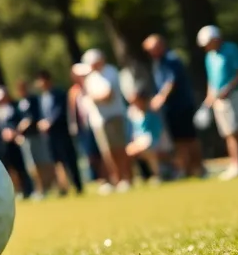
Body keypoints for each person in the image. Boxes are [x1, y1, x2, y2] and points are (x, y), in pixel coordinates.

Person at [198, 25, 238, 180]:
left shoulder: (231, 49)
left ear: (216, 38)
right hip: (219, 99)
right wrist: (209, 98)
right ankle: (236, 165)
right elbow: (211, 80)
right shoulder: (209, 57)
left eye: (209, 42)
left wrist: (228, 88)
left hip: (237, 94)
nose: (207, 46)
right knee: (229, 133)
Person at [143, 34, 205, 179]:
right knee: (178, 140)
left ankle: (199, 167)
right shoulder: (157, 63)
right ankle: (187, 169)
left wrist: (160, 98)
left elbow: (171, 81)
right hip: (170, 109)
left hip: (182, 105)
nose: (151, 52)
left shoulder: (171, 59)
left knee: (189, 138)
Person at [78, 49, 132, 193]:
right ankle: (117, 179)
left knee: (119, 149)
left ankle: (127, 178)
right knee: (107, 152)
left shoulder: (110, 72)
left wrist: (93, 97)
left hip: (114, 116)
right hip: (98, 120)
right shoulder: (90, 78)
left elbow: (108, 96)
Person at [34, 70, 82, 195]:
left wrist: (50, 122)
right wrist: (41, 123)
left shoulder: (59, 93)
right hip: (50, 135)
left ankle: (77, 185)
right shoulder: (42, 97)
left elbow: (60, 111)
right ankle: (63, 186)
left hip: (62, 132)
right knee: (57, 161)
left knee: (69, 159)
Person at [0, 85, 34, 199]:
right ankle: (17, 191)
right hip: (5, 144)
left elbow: (23, 120)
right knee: (9, 168)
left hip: (17, 141)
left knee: (21, 167)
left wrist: (15, 132)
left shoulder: (16, 106)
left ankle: (29, 190)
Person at [13, 79, 57, 195]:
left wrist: (28, 122)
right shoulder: (19, 103)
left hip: (36, 135)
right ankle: (39, 188)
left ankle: (50, 186)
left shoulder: (34, 100)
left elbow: (36, 116)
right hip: (26, 138)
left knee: (44, 161)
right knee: (31, 165)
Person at [126, 90, 170, 182]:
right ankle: (138, 176)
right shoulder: (133, 115)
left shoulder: (152, 114)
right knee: (128, 151)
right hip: (140, 141)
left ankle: (157, 174)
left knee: (147, 151)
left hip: (152, 141)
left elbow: (156, 133)